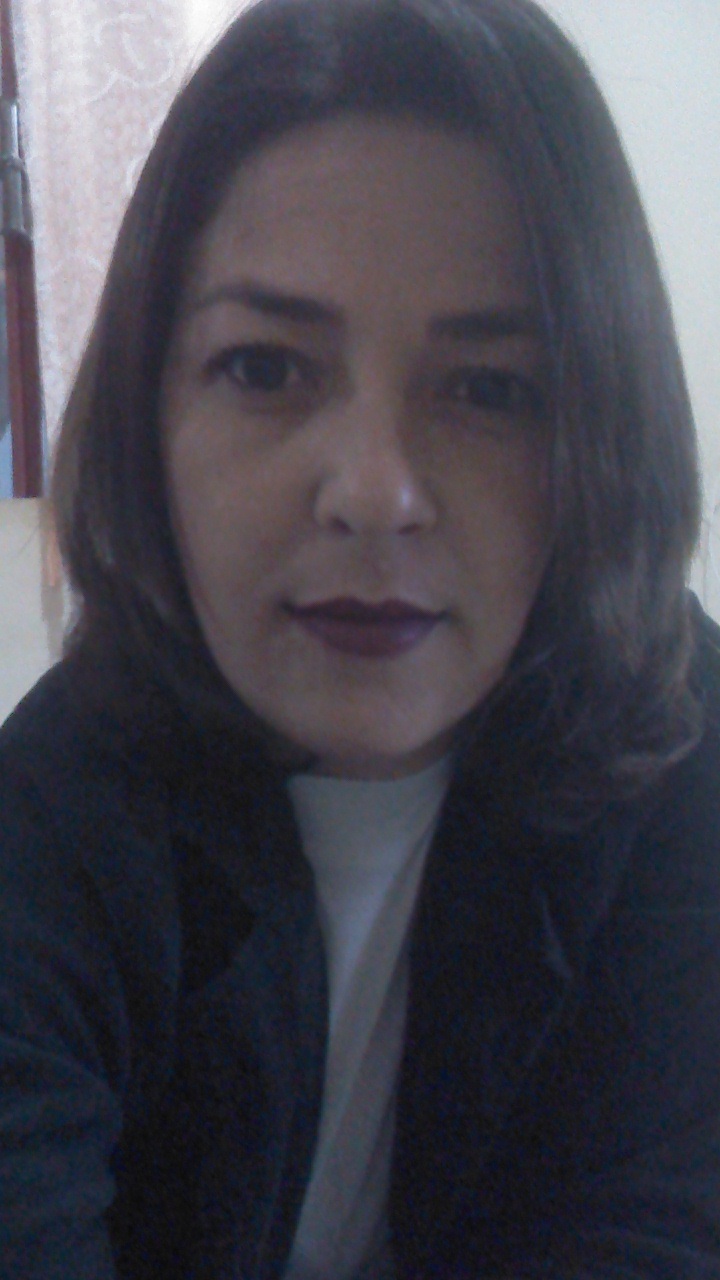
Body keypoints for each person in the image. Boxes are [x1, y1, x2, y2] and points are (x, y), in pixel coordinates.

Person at [1, 0, 719, 1275]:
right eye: (266, 368)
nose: (375, 492)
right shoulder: (46, 824)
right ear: (149, 409)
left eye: (489, 388)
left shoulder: (676, 749)